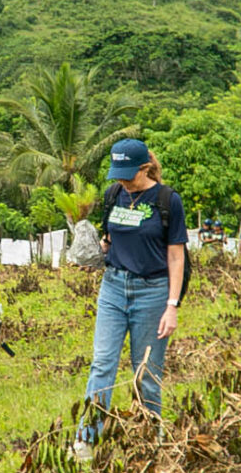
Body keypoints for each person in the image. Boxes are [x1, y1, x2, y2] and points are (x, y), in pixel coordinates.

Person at [72, 139, 188, 455]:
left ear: (145, 167)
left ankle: (150, 435)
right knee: (102, 363)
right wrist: (91, 249)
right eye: (117, 173)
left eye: (128, 173)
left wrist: (172, 306)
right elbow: (111, 241)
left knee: (146, 371)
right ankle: (87, 437)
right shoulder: (115, 196)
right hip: (113, 287)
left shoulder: (167, 200)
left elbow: (176, 257)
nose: (122, 180)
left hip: (153, 292)